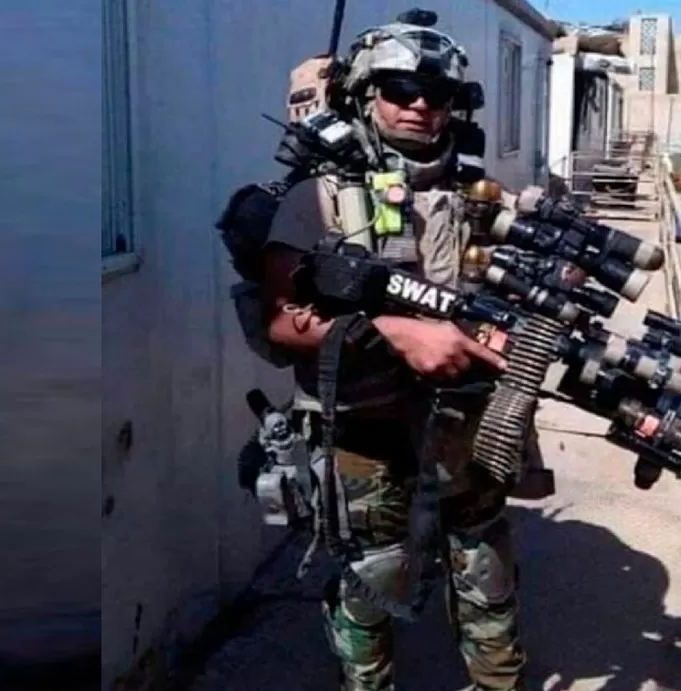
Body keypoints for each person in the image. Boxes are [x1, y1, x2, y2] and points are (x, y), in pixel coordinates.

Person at [259, 13, 527, 691]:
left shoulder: (474, 195)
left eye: (438, 93)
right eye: (400, 88)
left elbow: (515, 288)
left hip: (464, 418)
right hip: (363, 426)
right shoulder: (319, 196)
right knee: (375, 577)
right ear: (364, 94)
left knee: (486, 566)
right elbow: (282, 325)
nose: (420, 105)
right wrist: (395, 332)